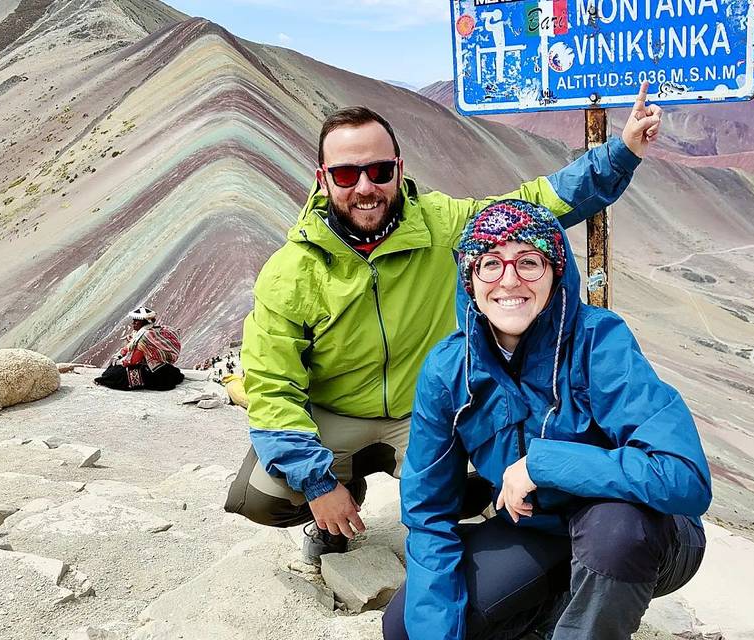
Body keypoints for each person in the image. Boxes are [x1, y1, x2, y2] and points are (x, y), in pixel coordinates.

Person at [224, 84, 665, 565]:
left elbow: (536, 206)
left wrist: (621, 154)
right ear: (323, 179)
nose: (365, 187)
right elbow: (271, 385)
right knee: (261, 495)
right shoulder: (290, 271)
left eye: (379, 170)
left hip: (427, 412)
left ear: (399, 168)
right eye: (347, 174)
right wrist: (317, 482)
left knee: (492, 475)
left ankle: (484, 548)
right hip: (334, 415)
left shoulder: (441, 223)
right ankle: (334, 502)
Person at [384, 200, 712, 640]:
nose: (509, 280)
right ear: (470, 279)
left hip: (646, 535)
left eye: (529, 262)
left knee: (614, 533)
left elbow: (684, 478)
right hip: (542, 531)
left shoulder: (599, 340)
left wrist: (542, 464)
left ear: (556, 271)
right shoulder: (449, 369)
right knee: (408, 626)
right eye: (490, 264)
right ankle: (553, 614)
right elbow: (428, 511)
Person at [94, 307, 184, 391]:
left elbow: (133, 361)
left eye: (136, 321)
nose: (133, 323)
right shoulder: (152, 330)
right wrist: (120, 354)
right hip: (163, 367)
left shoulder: (144, 337)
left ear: (144, 322)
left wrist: (119, 361)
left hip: (155, 372)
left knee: (114, 375)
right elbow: (129, 347)